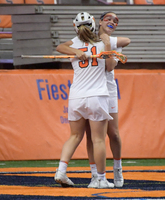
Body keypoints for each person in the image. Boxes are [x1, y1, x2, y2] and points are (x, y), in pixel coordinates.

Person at [54, 11, 119, 189]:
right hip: (97, 96)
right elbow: (110, 67)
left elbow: (59, 46)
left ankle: (61, 170)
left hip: (76, 97)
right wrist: (107, 45)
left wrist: (75, 51)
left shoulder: (73, 43)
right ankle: (101, 179)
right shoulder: (101, 42)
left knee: (74, 136)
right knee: (98, 140)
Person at [85, 11, 131, 188]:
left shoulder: (112, 42)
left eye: (116, 21)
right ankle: (95, 175)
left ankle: (118, 168)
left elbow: (110, 67)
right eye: (108, 19)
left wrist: (107, 42)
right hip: (89, 88)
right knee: (91, 136)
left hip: (107, 90)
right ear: (100, 21)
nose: (112, 22)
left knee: (114, 133)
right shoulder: (87, 39)